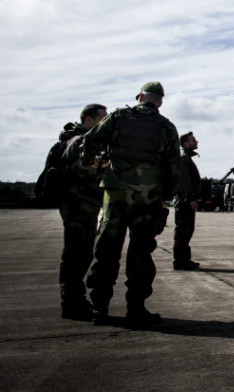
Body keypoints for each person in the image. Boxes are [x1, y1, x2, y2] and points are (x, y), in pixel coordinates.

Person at [83, 82, 180, 328]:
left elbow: (90, 140)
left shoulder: (118, 116)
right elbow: (173, 167)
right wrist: (164, 195)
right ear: (159, 102)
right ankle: (136, 309)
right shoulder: (166, 127)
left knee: (106, 251)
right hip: (147, 197)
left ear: (139, 97)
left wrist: (93, 166)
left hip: (115, 194)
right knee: (140, 254)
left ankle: (99, 308)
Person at [58, 103, 108, 320]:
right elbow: (84, 169)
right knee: (78, 255)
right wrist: (104, 167)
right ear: (89, 120)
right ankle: (72, 303)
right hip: (80, 206)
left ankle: (73, 300)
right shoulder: (81, 141)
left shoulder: (73, 140)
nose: (105, 124)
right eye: (102, 119)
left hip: (78, 206)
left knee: (76, 254)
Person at [173, 131, 201, 270]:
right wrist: (191, 198)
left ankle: (184, 259)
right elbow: (184, 181)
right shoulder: (184, 158)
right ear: (185, 143)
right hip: (184, 201)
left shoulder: (185, 157)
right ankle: (180, 261)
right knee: (183, 231)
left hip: (184, 200)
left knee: (186, 231)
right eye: (193, 140)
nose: (196, 142)